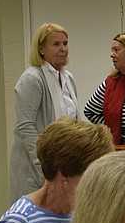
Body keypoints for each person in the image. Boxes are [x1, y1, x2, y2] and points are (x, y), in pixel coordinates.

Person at [10, 22, 81, 201]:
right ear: (41, 49)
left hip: (63, 160)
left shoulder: (68, 77)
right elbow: (25, 126)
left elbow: (73, 119)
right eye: (56, 44)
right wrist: (42, 164)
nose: (63, 49)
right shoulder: (32, 79)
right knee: (34, 214)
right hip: (36, 164)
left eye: (65, 43)